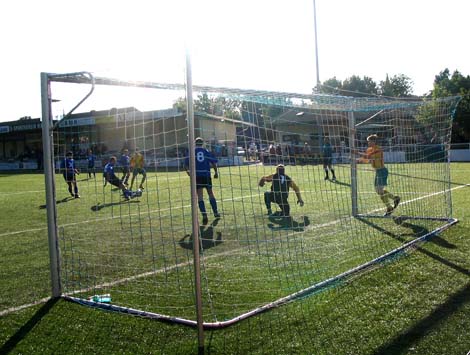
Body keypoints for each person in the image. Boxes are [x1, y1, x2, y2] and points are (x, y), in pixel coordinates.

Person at [357, 134, 400, 216]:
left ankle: (389, 208)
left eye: (369, 141)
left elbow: (369, 157)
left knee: (380, 191)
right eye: (368, 141)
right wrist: (358, 160)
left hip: (382, 171)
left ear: (373, 141)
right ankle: (395, 199)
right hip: (378, 171)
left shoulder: (378, 149)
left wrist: (357, 153)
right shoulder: (370, 149)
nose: (368, 143)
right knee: (378, 191)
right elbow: (367, 159)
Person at [185, 137, 220, 224]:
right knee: (210, 193)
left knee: (200, 196)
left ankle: (204, 215)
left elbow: (185, 165)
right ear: (202, 143)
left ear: (195, 143)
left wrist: (189, 173)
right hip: (206, 175)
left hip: (197, 176)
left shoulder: (192, 152)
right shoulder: (206, 151)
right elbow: (213, 162)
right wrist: (216, 172)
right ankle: (215, 212)